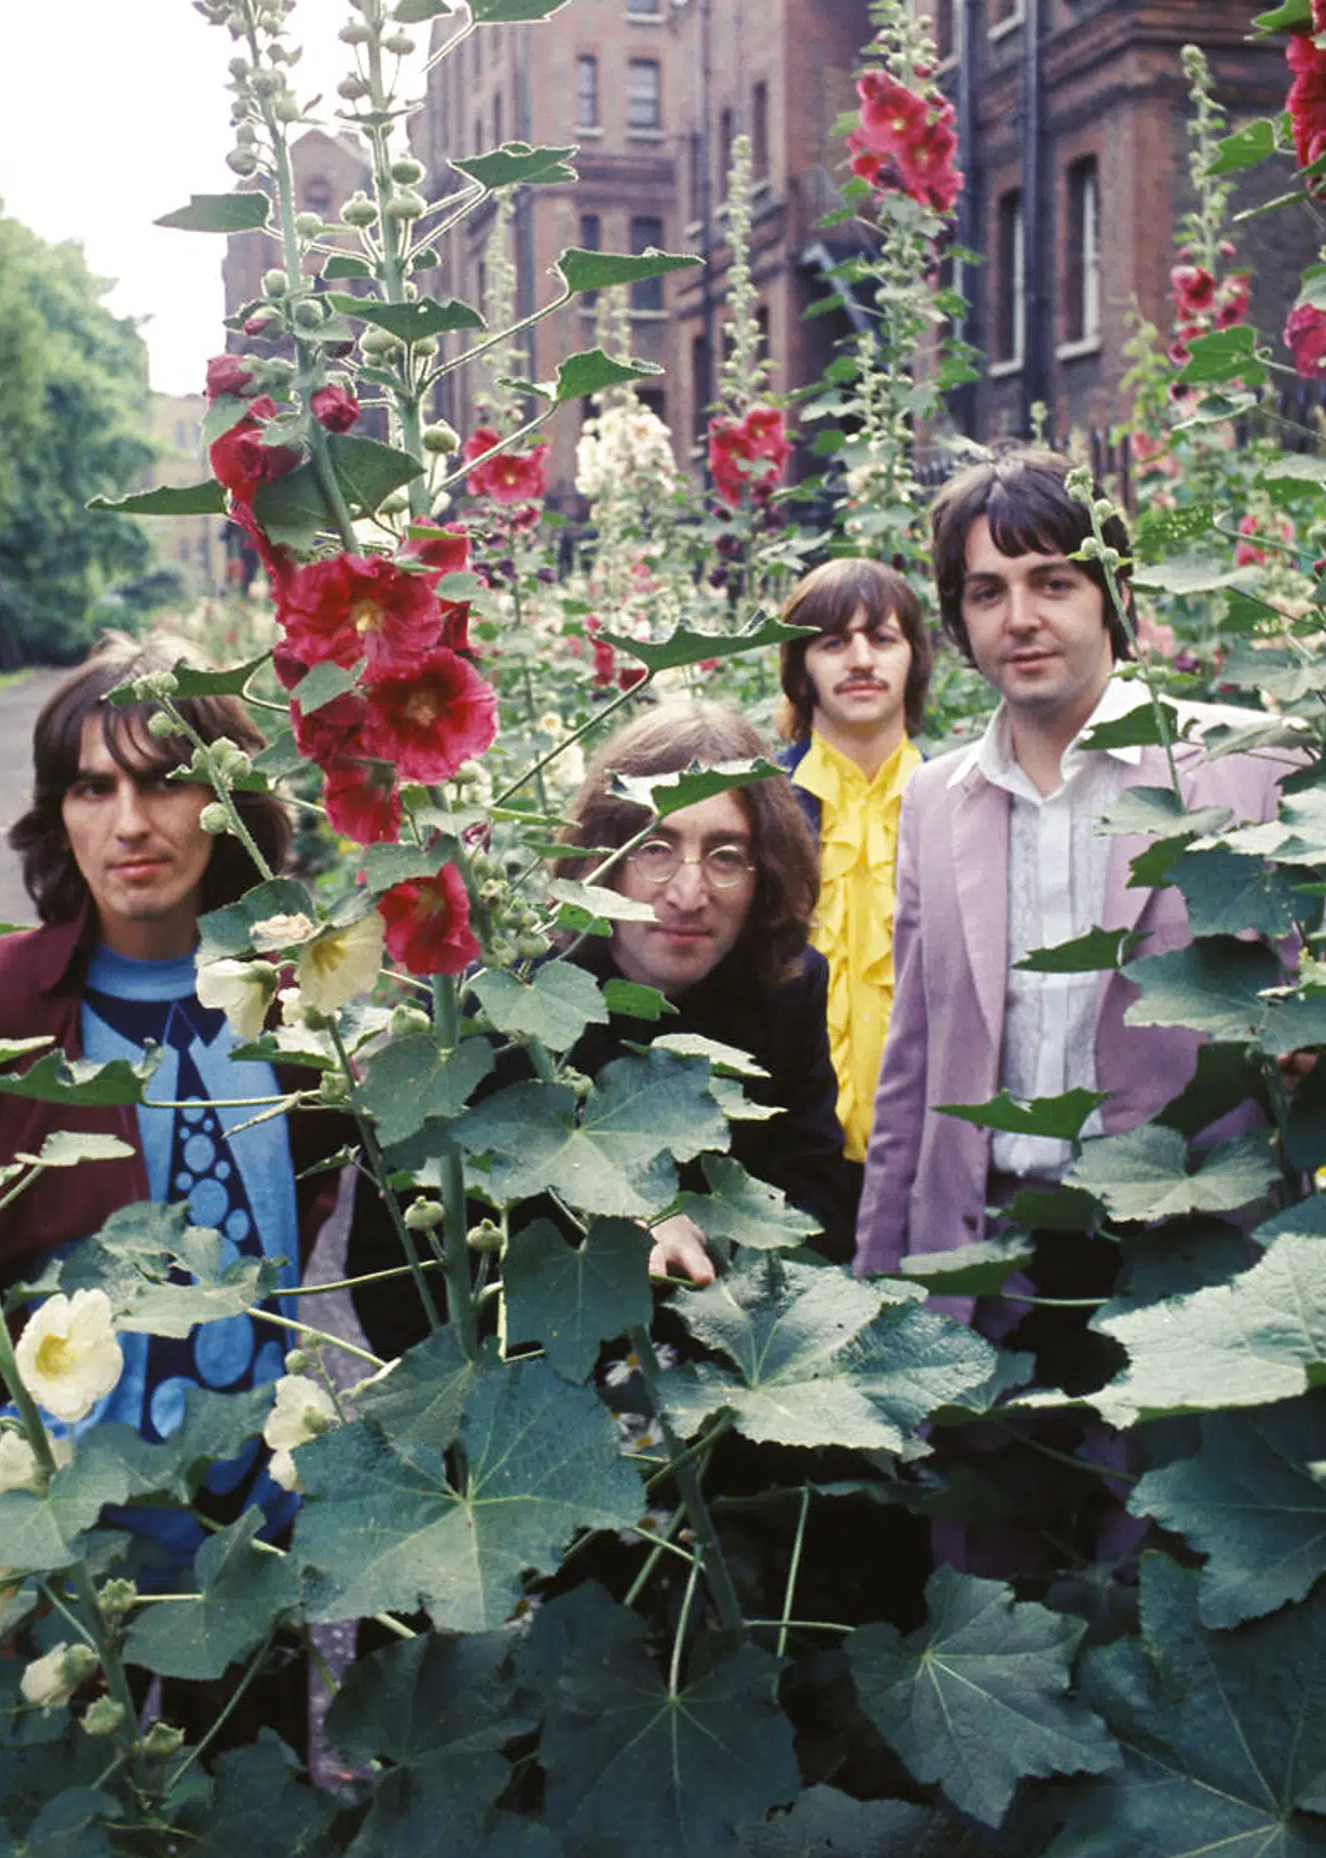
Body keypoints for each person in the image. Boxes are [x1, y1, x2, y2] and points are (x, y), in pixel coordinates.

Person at [0, 632, 345, 1750]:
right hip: (59, 1530)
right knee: (65, 1796)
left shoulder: (302, 1003)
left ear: (225, 801)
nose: (130, 823)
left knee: (247, 1793)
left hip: (251, 1527)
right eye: (94, 787)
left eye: (166, 779)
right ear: (59, 816)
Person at [853, 449, 1287, 1332]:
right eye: (987, 592)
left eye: (1053, 582)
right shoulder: (935, 801)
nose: (1021, 618)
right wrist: (874, 1292)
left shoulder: (1248, 768)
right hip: (988, 1264)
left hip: (1195, 1260)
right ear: (958, 619)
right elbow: (913, 1062)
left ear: (1114, 595)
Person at [346, 700, 860, 1356]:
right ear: (600, 856)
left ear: (768, 872)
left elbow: (816, 1207)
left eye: (726, 856)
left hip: (723, 1365)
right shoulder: (499, 1007)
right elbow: (392, 1269)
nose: (688, 893)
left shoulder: (786, 988)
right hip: (533, 1374)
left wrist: (707, 1244)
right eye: (655, 849)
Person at [777, 557, 932, 1165]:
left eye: (883, 638)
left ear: (915, 658)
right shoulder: (759, 808)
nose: (861, 660)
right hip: (788, 1156)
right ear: (800, 668)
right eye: (834, 642)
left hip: (934, 1146)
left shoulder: (966, 803)